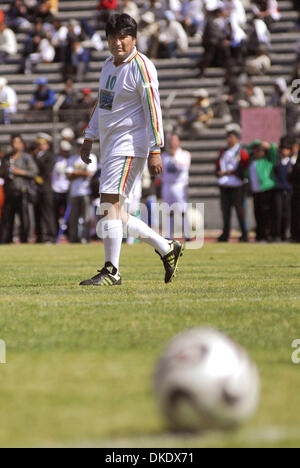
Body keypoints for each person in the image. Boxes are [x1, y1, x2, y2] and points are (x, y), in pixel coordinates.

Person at [80, 13, 184, 286]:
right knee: (114, 210)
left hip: (129, 144)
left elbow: (153, 109)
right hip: (111, 144)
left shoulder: (142, 66)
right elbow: (102, 105)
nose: (118, 43)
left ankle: (111, 271)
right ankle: (167, 247)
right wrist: (89, 136)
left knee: (109, 204)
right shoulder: (107, 65)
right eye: (113, 37)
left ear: (134, 38)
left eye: (123, 37)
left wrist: (155, 148)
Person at [0, 134, 38, 244]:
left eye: (17, 142)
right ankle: (5, 240)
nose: (15, 145)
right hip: (9, 191)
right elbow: (1, 173)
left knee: (24, 218)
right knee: (7, 218)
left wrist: (19, 171)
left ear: (22, 144)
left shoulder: (26, 157)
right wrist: (5, 170)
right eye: (13, 142)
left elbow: (34, 172)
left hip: (22, 191)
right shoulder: (7, 157)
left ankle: (25, 240)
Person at [216, 124, 249, 242]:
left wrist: (233, 172)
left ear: (236, 138)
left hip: (237, 185)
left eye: (231, 137)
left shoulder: (241, 151)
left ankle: (244, 233)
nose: (228, 140)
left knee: (240, 210)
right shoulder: (224, 151)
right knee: (225, 211)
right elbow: (218, 165)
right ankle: (225, 233)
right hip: (225, 185)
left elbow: (244, 166)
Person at [67, 138, 97, 243]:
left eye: (81, 145)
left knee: (86, 218)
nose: (79, 147)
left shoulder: (92, 157)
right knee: (73, 218)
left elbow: (90, 173)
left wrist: (76, 173)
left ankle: (85, 238)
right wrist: (81, 173)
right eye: (78, 145)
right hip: (74, 192)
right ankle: (73, 239)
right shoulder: (72, 159)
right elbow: (68, 176)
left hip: (86, 192)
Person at [247, 140, 278, 242]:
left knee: (267, 214)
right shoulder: (251, 161)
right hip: (256, 191)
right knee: (257, 214)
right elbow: (246, 150)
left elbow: (274, 152)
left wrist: (268, 145)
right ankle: (259, 235)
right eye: (255, 151)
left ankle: (267, 235)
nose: (257, 153)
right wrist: (256, 142)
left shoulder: (267, 161)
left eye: (259, 151)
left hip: (266, 189)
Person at [162, 134, 191, 240]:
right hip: (167, 185)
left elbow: (183, 167)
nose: (172, 143)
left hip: (179, 185)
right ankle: (169, 235)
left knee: (182, 210)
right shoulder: (164, 156)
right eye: (171, 141)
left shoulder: (184, 154)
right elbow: (161, 172)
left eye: (174, 141)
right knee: (169, 211)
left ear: (179, 142)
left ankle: (187, 234)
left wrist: (174, 158)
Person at [34, 133, 57, 244]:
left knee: (48, 213)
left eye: (42, 143)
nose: (39, 146)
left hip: (46, 188)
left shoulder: (50, 156)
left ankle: (51, 236)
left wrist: (37, 177)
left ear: (47, 144)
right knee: (37, 213)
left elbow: (47, 171)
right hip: (37, 189)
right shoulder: (36, 155)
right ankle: (40, 236)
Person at [274, 137, 293, 242]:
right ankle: (277, 234)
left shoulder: (291, 163)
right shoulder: (277, 162)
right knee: (278, 212)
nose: (284, 151)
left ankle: (286, 233)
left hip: (289, 190)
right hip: (278, 190)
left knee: (287, 213)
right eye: (282, 149)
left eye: (286, 149)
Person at [52, 140, 72, 236]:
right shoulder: (55, 160)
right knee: (56, 213)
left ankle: (68, 233)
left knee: (67, 214)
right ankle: (56, 232)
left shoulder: (70, 160)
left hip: (67, 189)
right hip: (56, 189)